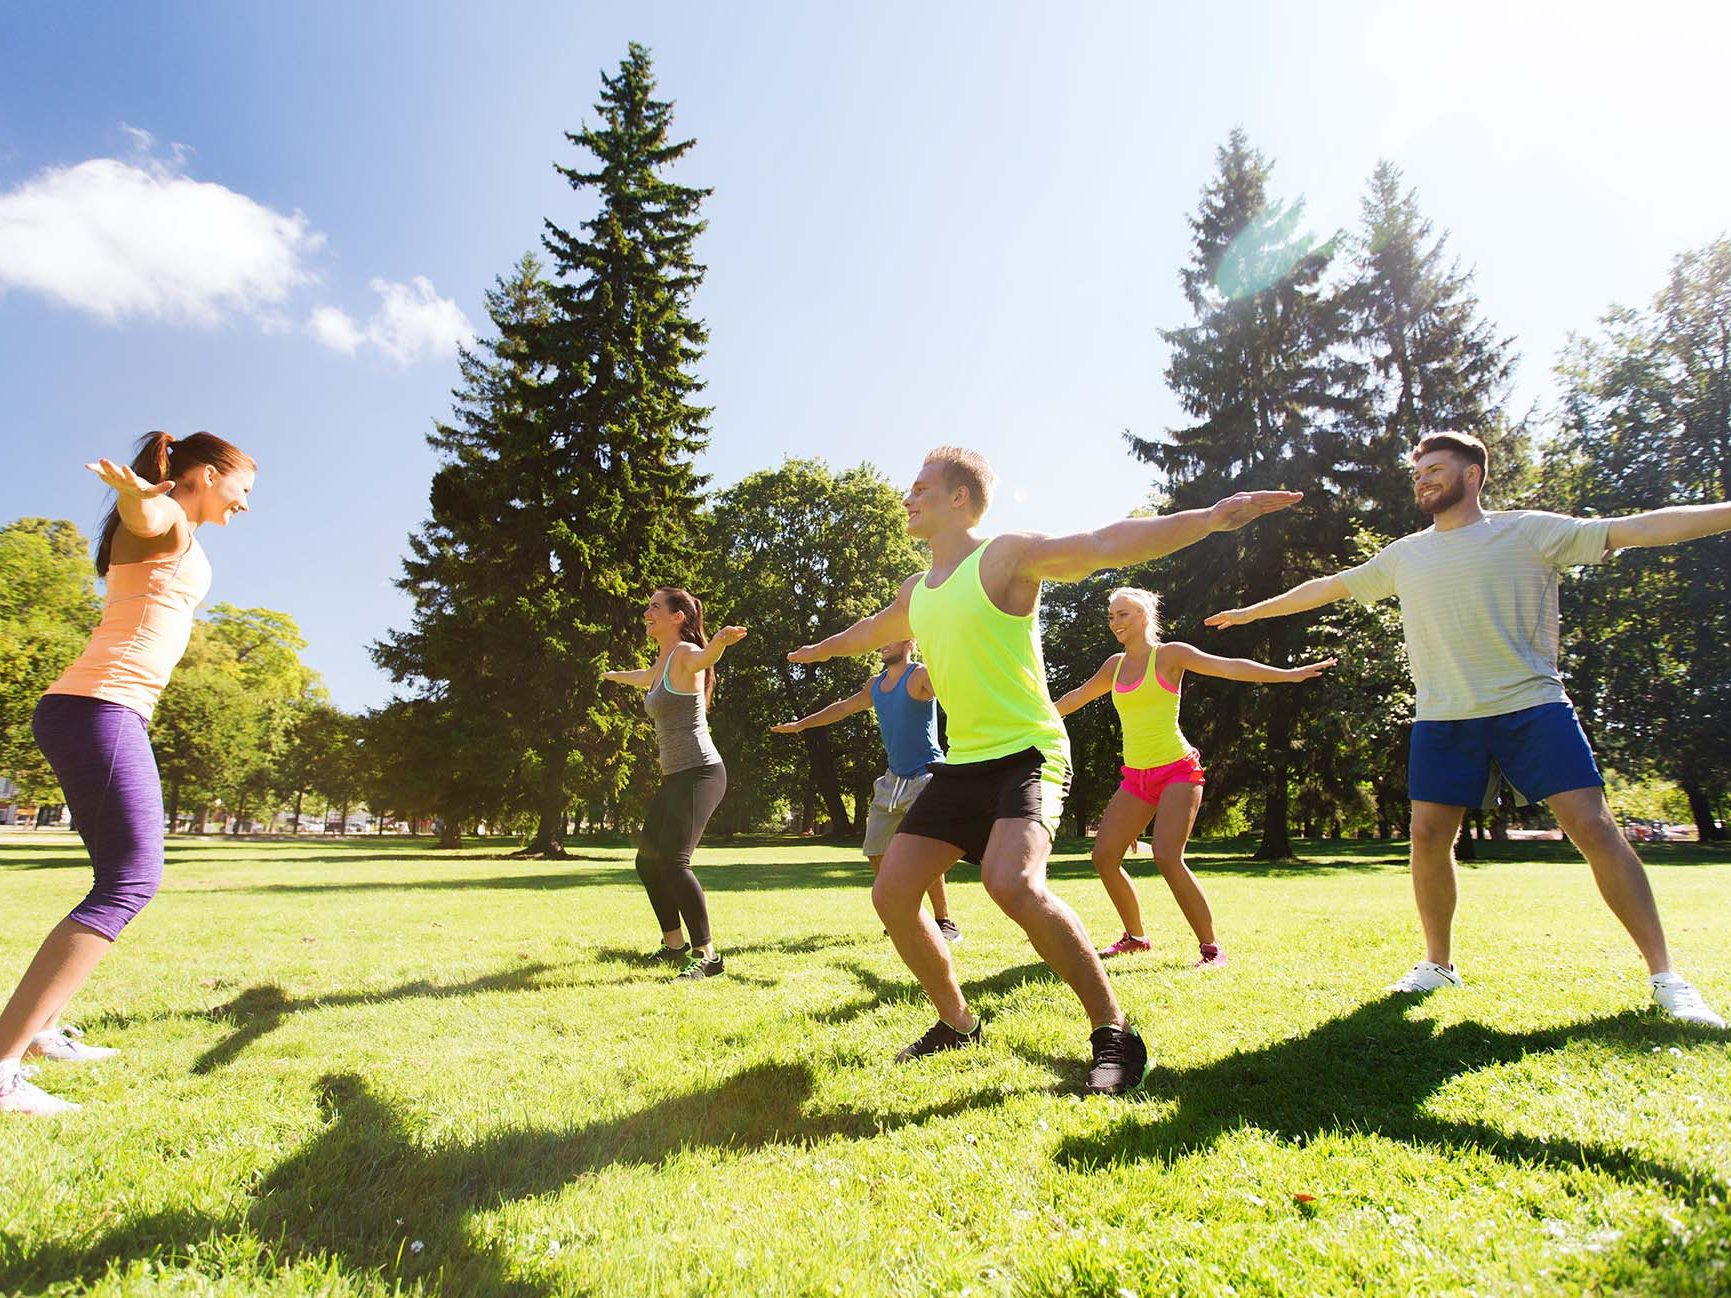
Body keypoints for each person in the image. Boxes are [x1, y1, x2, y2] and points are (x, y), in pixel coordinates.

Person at [790, 446, 1300, 1092]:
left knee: (1013, 885)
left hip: (1027, 752)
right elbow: (873, 628)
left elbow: (1104, 542)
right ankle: (958, 1022)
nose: (906, 498)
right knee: (891, 893)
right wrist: (819, 649)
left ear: (958, 499)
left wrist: (1207, 518)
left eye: (920, 487)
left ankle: (1113, 1031)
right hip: (963, 761)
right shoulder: (916, 591)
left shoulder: (1004, 557)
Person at [1206, 429, 1729, 1026]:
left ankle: (1666, 976)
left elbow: (1637, 528)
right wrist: (1252, 611)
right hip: (1444, 714)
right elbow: (1329, 587)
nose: (1423, 479)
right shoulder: (1406, 554)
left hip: (1532, 705)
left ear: (1472, 474)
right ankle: (1437, 964)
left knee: (1591, 825)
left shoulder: (1529, 530)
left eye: (1435, 469)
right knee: (1428, 836)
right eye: (1418, 472)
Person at [1, 432, 256, 1117]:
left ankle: (37, 1035)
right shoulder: (164, 520)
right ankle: (2, 1061)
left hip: (99, 711)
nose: (247, 504)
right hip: (98, 709)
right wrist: (141, 500)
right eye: (243, 488)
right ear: (205, 476)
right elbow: (153, 517)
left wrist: (146, 503)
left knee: (118, 877)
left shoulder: (181, 532)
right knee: (131, 879)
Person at [1054, 586, 1334, 968]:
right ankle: (1135, 937)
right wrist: (1032, 719)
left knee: (1168, 857)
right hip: (1136, 776)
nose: (1116, 622)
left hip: (1177, 771)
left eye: (1124, 614)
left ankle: (1211, 949)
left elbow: (1229, 666)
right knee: (1104, 856)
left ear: (1144, 616)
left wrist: (1287, 675)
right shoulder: (1114, 666)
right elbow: (1074, 698)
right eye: (1112, 616)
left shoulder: (1171, 656)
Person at [771, 639, 960, 943]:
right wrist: (802, 725)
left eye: (892, 638)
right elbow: (844, 707)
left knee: (923, 854)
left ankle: (943, 921)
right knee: (876, 850)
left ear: (910, 642)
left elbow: (956, 697)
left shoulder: (920, 675)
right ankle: (903, 914)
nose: (884, 645)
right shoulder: (876, 684)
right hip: (892, 779)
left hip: (926, 776)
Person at [603, 588, 744, 981]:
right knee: (647, 861)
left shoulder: (684, 654)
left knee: (673, 861)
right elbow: (644, 677)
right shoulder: (663, 660)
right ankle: (674, 946)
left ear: (678, 616)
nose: (646, 612)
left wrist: (718, 642)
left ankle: (708, 955)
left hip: (701, 772)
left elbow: (705, 658)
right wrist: (612, 675)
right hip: (675, 777)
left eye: (654, 607)